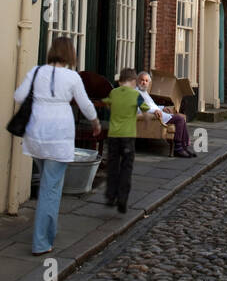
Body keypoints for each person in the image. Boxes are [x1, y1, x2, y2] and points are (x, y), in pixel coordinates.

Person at [13, 37, 100, 255]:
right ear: (70, 54)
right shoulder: (71, 77)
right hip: (58, 134)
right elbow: (85, 104)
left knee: (48, 184)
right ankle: (41, 242)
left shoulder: (35, 71)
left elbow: (19, 96)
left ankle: (49, 228)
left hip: (36, 133)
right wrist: (95, 122)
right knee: (50, 189)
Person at [104, 68, 158, 213]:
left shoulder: (113, 92)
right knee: (126, 168)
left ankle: (110, 196)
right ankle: (122, 199)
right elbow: (146, 111)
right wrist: (147, 122)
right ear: (134, 82)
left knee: (113, 166)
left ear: (120, 81)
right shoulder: (135, 95)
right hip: (128, 136)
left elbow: (108, 104)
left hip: (113, 135)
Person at [136, 71, 195, 157]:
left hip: (159, 113)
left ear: (149, 83)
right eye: (142, 80)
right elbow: (139, 109)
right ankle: (178, 149)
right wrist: (154, 111)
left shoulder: (144, 93)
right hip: (154, 116)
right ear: (137, 81)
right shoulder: (136, 93)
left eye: (146, 81)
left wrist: (162, 107)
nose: (144, 82)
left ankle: (184, 147)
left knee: (181, 118)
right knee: (180, 119)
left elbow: (152, 106)